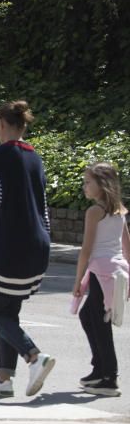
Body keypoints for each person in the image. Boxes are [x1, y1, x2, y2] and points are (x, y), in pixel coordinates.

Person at [0, 100, 54, 398]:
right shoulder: (35, 158)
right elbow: (43, 206)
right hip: (37, 247)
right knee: (9, 312)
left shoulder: (2, 154)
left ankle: (33, 356)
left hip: (8, 248)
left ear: (2, 125)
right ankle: (3, 379)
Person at [71, 162, 128, 397]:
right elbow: (126, 245)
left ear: (101, 185)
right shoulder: (119, 210)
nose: (84, 186)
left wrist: (77, 282)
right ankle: (99, 370)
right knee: (89, 316)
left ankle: (109, 378)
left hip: (100, 271)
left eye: (88, 182)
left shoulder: (95, 212)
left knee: (99, 322)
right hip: (115, 272)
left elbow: (86, 249)